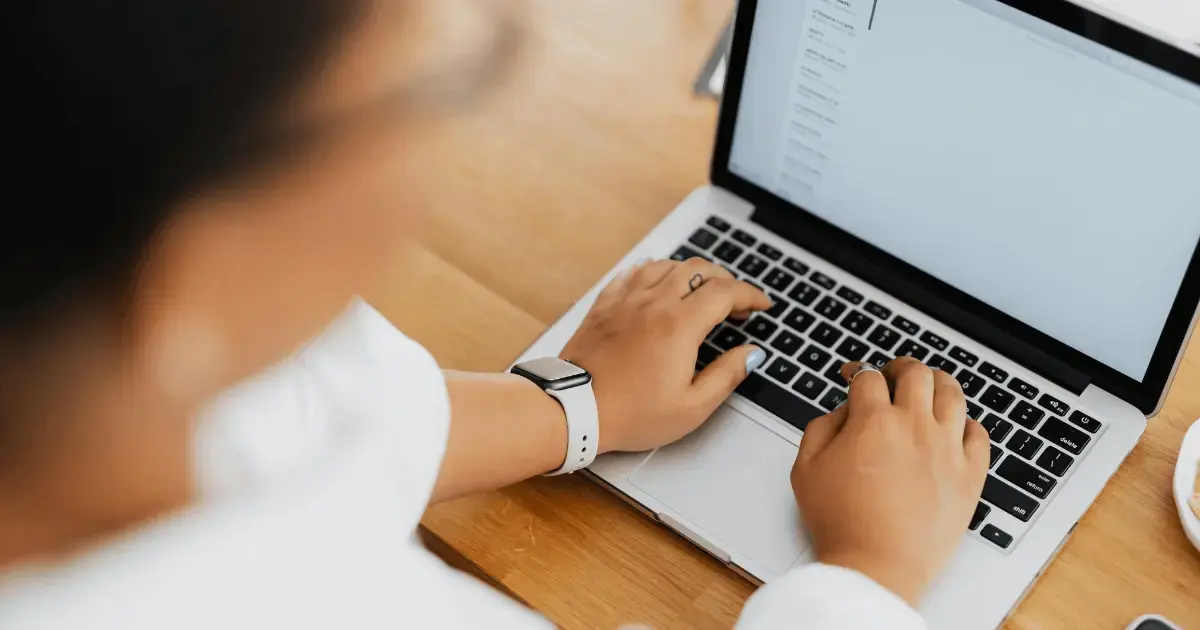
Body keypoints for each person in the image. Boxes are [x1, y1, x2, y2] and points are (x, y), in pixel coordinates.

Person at [0, 1, 990, 628]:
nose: (420, 176)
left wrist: (579, 404)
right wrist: (872, 570)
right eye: (414, 92)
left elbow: (301, 412)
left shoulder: (78, 378)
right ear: (191, 276)